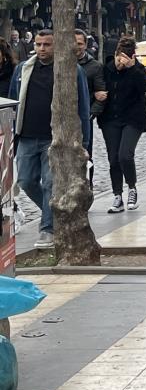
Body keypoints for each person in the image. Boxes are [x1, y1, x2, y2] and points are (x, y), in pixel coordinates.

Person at [8, 29, 91, 249]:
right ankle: (56, 213)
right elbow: (13, 103)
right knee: (25, 181)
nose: (42, 49)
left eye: (47, 45)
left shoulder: (72, 70)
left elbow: (83, 108)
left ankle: (47, 229)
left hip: (54, 138)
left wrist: (84, 144)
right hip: (26, 135)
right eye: (38, 44)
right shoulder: (23, 69)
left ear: (56, 46)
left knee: (50, 184)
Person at [98, 38, 146, 213]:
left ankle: (132, 188)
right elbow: (97, 86)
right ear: (114, 55)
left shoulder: (137, 69)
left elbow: (144, 87)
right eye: (119, 56)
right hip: (110, 119)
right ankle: (117, 195)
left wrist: (132, 68)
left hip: (133, 119)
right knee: (113, 158)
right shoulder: (106, 69)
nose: (122, 60)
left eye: (126, 57)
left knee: (125, 155)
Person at [74, 29, 107, 166]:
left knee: (85, 154)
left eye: (79, 43)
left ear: (85, 45)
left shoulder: (95, 66)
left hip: (83, 117)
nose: (76, 46)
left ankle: (88, 184)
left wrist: (90, 114)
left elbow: (101, 93)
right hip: (59, 117)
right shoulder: (57, 63)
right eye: (72, 42)